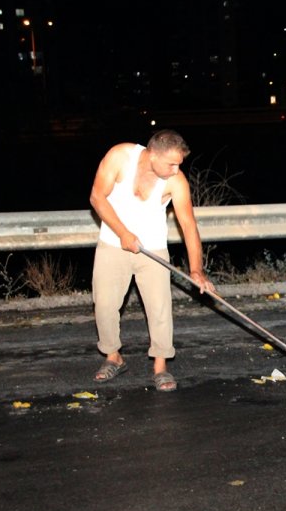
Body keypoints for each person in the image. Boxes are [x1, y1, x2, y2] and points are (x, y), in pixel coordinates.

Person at [89, 129, 214, 392]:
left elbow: (188, 226)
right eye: (171, 163)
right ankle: (114, 357)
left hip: (153, 250)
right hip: (113, 243)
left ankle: (160, 367)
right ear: (152, 154)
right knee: (105, 305)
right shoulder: (120, 156)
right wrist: (122, 233)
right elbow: (97, 197)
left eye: (179, 164)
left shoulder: (175, 181)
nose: (176, 169)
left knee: (159, 309)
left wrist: (196, 270)